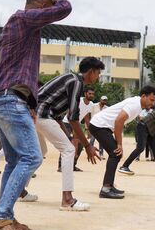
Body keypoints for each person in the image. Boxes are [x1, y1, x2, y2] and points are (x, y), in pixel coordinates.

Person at [0, 0, 72, 230]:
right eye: (46, 8)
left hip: (5, 99)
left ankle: (7, 217)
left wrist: (30, 104)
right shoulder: (23, 18)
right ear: (42, 7)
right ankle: (0, 215)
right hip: (9, 99)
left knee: (13, 161)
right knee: (32, 157)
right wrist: (57, 0)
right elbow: (65, 8)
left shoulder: (22, 26)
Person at [36, 57, 104, 211]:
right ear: (91, 71)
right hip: (42, 113)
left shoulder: (72, 80)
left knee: (40, 152)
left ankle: (21, 191)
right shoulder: (76, 82)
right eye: (98, 73)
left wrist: (69, 137)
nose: (98, 76)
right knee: (68, 150)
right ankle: (67, 200)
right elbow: (74, 119)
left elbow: (60, 118)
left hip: (35, 114)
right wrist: (87, 146)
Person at [89, 86, 155, 199]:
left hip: (102, 126)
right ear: (143, 96)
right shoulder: (135, 105)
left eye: (154, 100)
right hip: (99, 125)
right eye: (151, 99)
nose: (153, 103)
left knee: (116, 154)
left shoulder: (138, 103)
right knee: (116, 153)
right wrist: (119, 144)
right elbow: (119, 121)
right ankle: (106, 189)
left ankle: (109, 186)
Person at [118, 101, 155, 177]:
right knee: (140, 148)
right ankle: (124, 166)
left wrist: (150, 107)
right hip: (143, 126)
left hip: (150, 129)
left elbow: (152, 105)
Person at [58, 86, 96, 172]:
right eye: (90, 93)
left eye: (93, 94)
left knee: (81, 144)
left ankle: (73, 165)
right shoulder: (79, 101)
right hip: (67, 123)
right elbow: (69, 114)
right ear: (85, 94)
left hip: (77, 124)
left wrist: (88, 130)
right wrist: (75, 130)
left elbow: (86, 116)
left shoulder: (91, 104)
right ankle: (61, 166)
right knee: (67, 143)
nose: (91, 95)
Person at [89, 95, 108, 159]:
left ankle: (101, 154)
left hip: (102, 126)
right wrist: (87, 125)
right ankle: (89, 152)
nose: (104, 101)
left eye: (105, 100)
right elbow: (89, 114)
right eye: (103, 100)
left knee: (101, 141)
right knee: (92, 140)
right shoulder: (94, 106)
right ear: (100, 100)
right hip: (93, 125)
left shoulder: (107, 108)